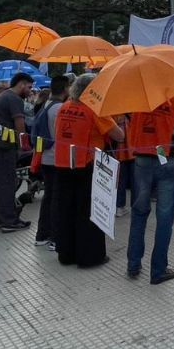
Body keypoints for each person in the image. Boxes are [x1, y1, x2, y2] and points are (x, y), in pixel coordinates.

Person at [50, 74, 124, 268]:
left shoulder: (64, 107)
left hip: (63, 164)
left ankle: (66, 254)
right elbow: (119, 136)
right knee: (89, 211)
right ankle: (89, 256)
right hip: (87, 165)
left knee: (65, 210)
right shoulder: (95, 110)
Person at [126, 93, 174, 284]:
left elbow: (132, 122)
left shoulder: (137, 97)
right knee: (165, 216)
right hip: (168, 159)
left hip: (142, 158)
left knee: (139, 212)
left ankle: (133, 264)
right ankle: (158, 270)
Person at [0, 72, 34, 233]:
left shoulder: (3, 96)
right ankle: (9, 221)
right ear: (21, 84)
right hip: (4, 147)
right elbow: (19, 123)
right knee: (7, 184)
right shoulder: (14, 99)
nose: (30, 91)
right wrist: (24, 145)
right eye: (29, 87)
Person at [30, 77, 68, 247]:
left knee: (49, 197)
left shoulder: (46, 105)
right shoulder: (60, 108)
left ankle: (42, 235)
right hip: (56, 158)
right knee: (57, 199)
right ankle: (55, 237)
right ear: (65, 89)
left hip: (45, 157)